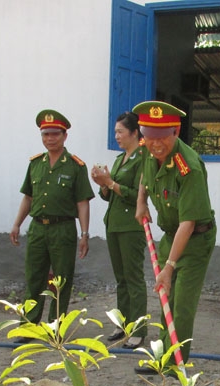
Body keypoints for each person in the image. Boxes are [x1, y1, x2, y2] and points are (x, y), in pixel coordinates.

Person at [133, 100, 216, 374]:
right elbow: (145, 179)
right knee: (164, 299)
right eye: (149, 137)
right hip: (171, 235)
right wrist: (140, 203)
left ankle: (174, 364)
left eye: (162, 138)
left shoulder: (187, 167)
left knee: (181, 305)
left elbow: (189, 223)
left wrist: (169, 266)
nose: (155, 144)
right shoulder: (148, 151)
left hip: (195, 238)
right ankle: (163, 355)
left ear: (175, 132)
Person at [10, 109, 94, 327]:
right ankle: (29, 326)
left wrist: (84, 234)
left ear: (64, 136)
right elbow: (28, 197)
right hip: (38, 228)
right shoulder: (35, 164)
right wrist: (17, 224)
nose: (50, 139)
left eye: (55, 134)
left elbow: (82, 202)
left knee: (61, 280)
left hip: (63, 229)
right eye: (45, 135)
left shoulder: (76, 166)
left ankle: (55, 326)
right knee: (34, 278)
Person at [91, 112, 147, 349]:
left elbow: (138, 196)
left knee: (134, 278)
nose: (117, 136)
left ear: (134, 133)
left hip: (131, 226)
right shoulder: (119, 159)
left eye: (120, 132)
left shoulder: (143, 159)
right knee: (121, 279)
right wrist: (102, 184)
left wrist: (111, 183)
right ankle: (123, 323)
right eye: (115, 132)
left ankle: (139, 329)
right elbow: (109, 196)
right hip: (113, 223)